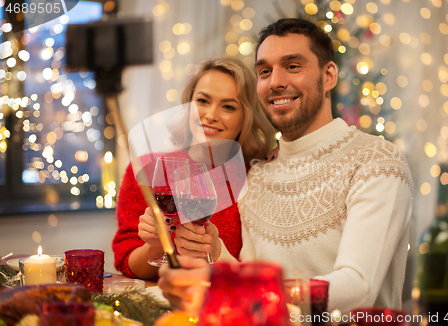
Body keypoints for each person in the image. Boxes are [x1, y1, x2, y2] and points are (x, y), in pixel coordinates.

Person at [158, 18, 413, 315]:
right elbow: (251, 279)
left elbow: (357, 288)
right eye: (265, 71)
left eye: (292, 66)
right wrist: (215, 251)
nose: (275, 82)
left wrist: (258, 292)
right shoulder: (258, 176)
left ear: (328, 75)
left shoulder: (377, 161)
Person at [112, 57, 276, 280]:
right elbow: (126, 263)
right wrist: (155, 246)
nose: (210, 115)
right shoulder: (146, 170)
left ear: (245, 118)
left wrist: (213, 253)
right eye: (202, 101)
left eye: (228, 106)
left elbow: (262, 272)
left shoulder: (257, 178)